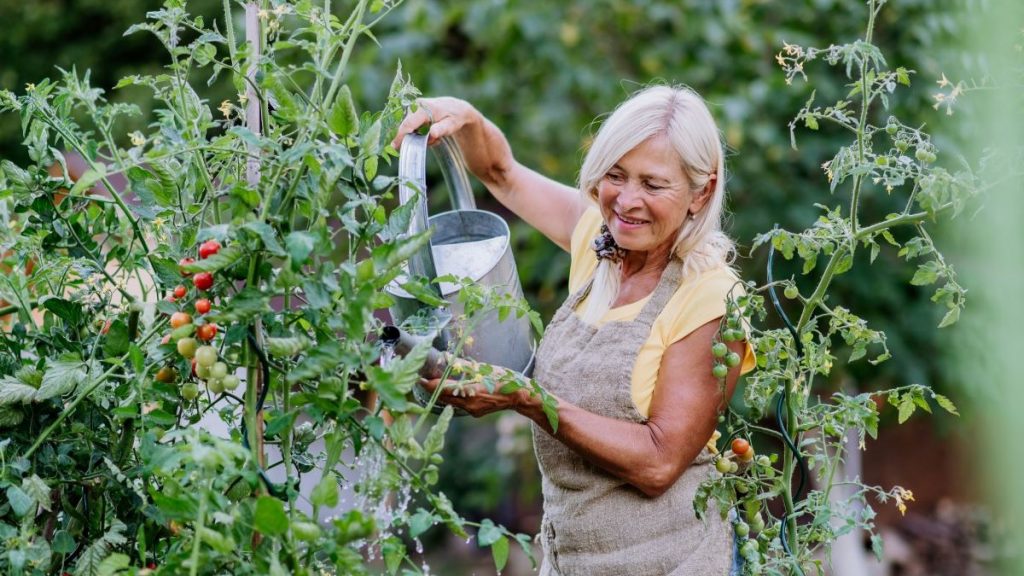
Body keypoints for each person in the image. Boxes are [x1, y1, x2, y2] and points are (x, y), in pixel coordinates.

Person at [391, 85, 756, 576]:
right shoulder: (599, 244)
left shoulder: (711, 296)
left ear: (702, 192)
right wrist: (467, 119)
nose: (627, 201)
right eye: (615, 175)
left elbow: (658, 463)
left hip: (675, 563)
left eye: (653, 185)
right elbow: (502, 172)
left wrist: (528, 398)